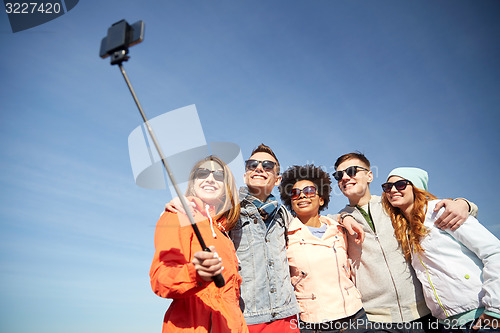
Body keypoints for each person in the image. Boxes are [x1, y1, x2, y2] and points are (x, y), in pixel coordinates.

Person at [330, 152, 478, 332]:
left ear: (370, 176)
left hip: (424, 314)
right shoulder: (335, 222)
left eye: (352, 171)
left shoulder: (394, 204)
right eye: (339, 175)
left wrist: (465, 204)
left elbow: (433, 207)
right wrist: (342, 216)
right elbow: (315, 223)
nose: (345, 177)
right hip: (375, 320)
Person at [166, 144, 301, 332]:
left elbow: (314, 225)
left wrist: (345, 216)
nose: (259, 168)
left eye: (267, 165)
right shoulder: (229, 210)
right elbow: (205, 213)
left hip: (287, 317)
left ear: (278, 179)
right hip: (246, 318)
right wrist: (185, 201)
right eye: (252, 164)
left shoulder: (285, 216)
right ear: (245, 175)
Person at [381, 167, 500, 332]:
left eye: (400, 184)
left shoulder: (441, 211)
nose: (392, 190)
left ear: (416, 188)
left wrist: (495, 308)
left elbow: (494, 252)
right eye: (387, 186)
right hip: (444, 325)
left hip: (479, 317)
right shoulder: (403, 230)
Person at [149, 155, 248, 333]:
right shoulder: (176, 215)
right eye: (202, 173)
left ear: (226, 187)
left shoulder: (224, 233)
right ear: (193, 182)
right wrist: (196, 273)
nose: (210, 178)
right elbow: (160, 280)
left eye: (218, 176)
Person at [279, 164, 370, 333]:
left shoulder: (339, 228)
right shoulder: (285, 236)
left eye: (309, 191)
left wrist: (345, 216)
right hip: (314, 324)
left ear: (321, 199)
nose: (302, 196)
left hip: (355, 318)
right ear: (290, 202)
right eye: (295, 193)